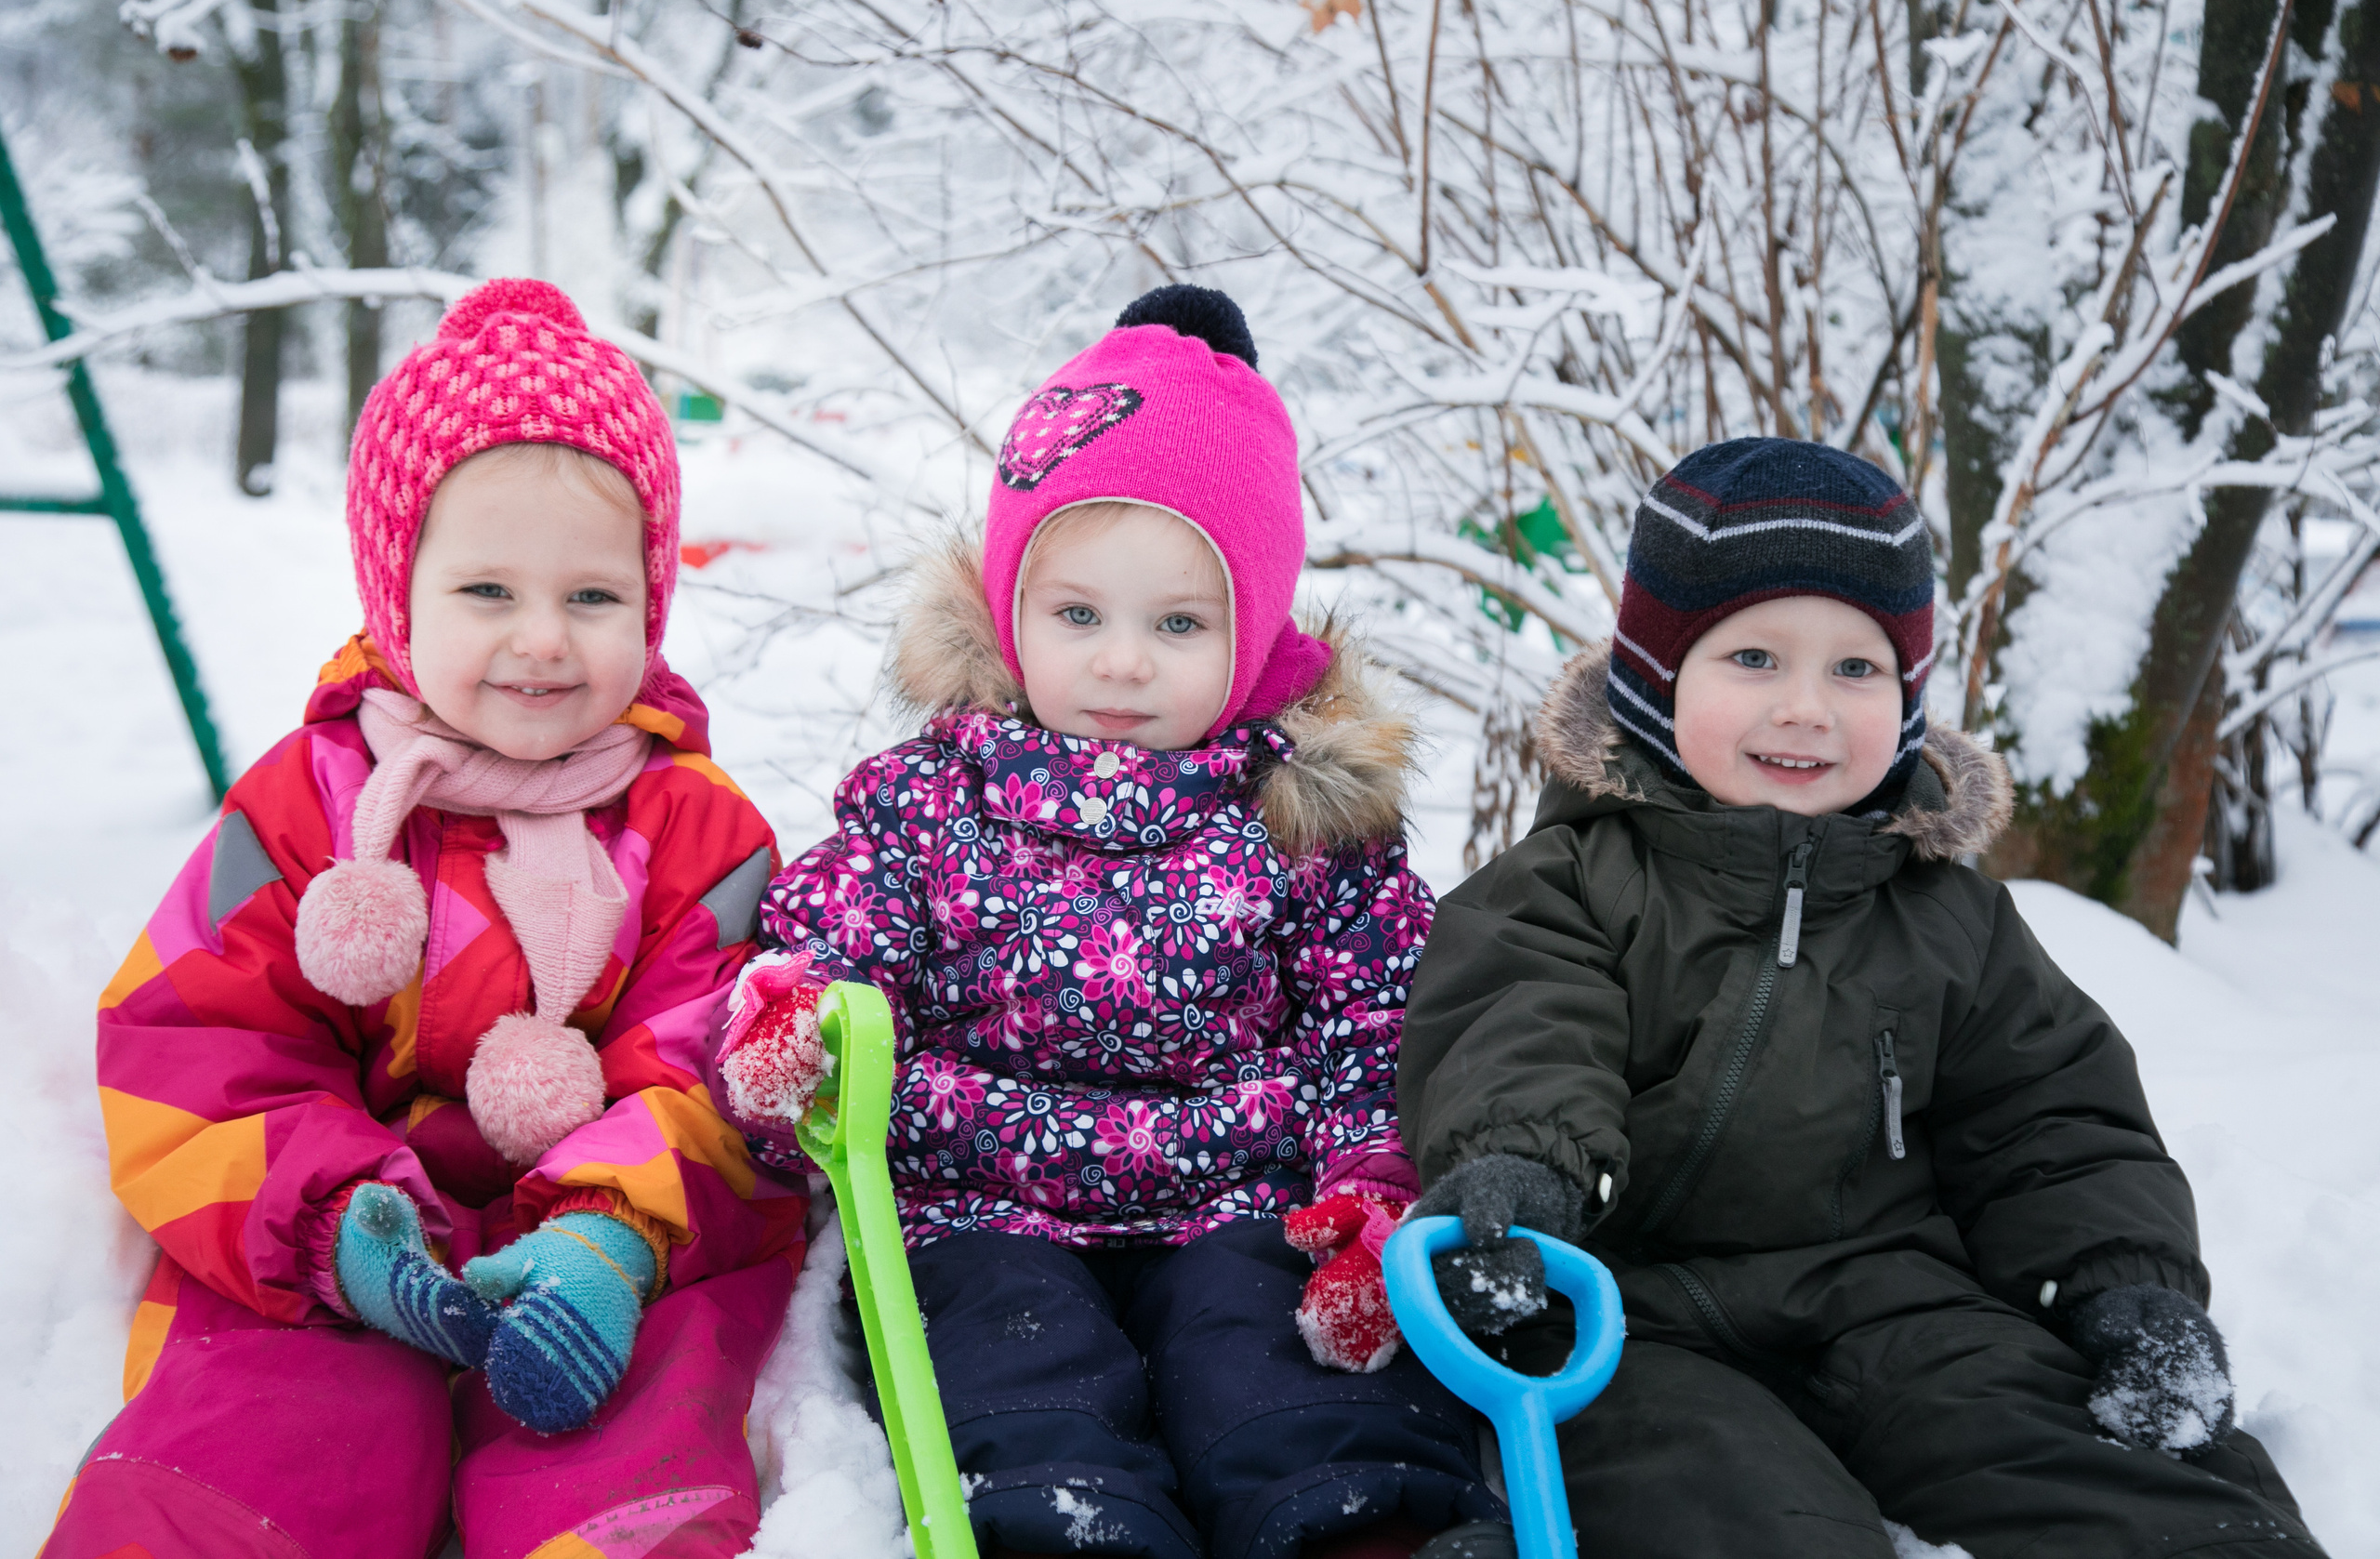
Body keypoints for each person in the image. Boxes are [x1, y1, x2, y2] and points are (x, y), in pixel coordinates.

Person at [1395, 436, 2326, 1559]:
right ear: (1653, 682)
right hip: (1632, 1312)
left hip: (1894, 1302)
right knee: (1736, 1520)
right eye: (1751, 659)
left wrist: (2120, 1278)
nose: (1806, 709)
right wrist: (1526, 1168)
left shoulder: (1950, 916)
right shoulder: (1567, 884)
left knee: (2146, 1490)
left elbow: (2050, 1114)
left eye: (1856, 669)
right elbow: (1519, 1032)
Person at [716, 285, 1504, 1559]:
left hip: (1238, 1195)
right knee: (1024, 1370)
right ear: (1010, 603)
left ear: (1252, 637)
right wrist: (798, 1009)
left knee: (1280, 1365)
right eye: (1078, 613)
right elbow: (840, 923)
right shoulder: (934, 793)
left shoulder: (1300, 814)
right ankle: (1076, 1528)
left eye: (1179, 623)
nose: (1123, 663)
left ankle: (1358, 1528)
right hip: (983, 1196)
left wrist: (1367, 1189)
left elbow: (1377, 1012)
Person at [46, 280, 807, 1559]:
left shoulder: (699, 834)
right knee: (265, 1435)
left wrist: (613, 1236)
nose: (542, 642)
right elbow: (198, 1043)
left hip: (603, 1265)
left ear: (654, 599)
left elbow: (708, 1070)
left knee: (632, 1442)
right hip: (326, 1250)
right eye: (488, 591)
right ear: (397, 589)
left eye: (594, 598)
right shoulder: (307, 807)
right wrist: (334, 1225)